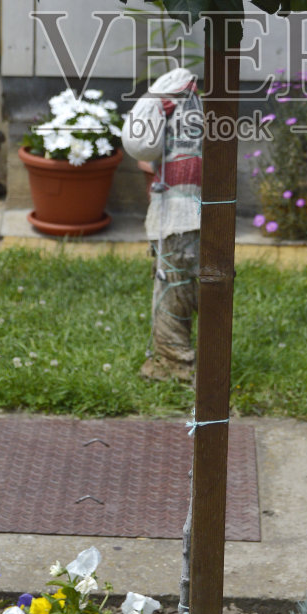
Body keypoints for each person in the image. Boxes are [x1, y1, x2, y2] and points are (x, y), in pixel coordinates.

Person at [121, 66, 203, 381]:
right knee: (176, 284)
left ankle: (174, 363)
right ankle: (181, 356)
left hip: (178, 220)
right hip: (187, 215)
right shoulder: (190, 107)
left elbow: (141, 145)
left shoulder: (179, 106)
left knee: (173, 287)